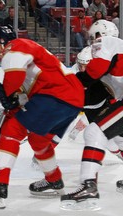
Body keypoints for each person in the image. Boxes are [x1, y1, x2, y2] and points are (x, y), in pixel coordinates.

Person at [0, 25, 85, 209]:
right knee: (38, 140)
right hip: (72, 99)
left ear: (1, 41)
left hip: (55, 96)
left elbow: (14, 80)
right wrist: (10, 106)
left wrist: (7, 99)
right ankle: (54, 180)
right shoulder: (33, 52)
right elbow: (25, 100)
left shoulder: (15, 47)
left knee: (11, 131)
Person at [60, 19, 123, 210]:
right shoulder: (117, 54)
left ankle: (88, 187)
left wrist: (69, 84)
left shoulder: (110, 44)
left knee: (94, 132)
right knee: (113, 139)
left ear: (99, 35)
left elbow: (92, 73)